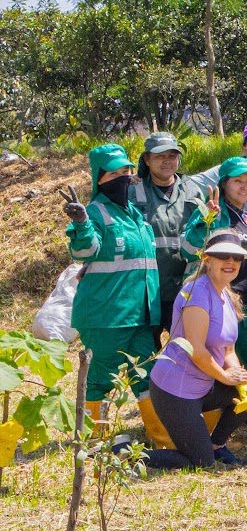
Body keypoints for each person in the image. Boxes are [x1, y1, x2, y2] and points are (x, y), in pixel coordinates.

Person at [144, 231, 247, 468]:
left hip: (205, 384)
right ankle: (123, 455)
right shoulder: (198, 292)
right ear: (207, 259)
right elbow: (196, 350)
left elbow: (228, 349)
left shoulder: (227, 294)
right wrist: (225, 377)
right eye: (223, 256)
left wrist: (237, 377)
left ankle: (216, 445)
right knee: (200, 463)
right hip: (175, 390)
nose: (230, 262)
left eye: (236, 258)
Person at [181, 156, 247, 438]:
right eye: (237, 180)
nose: (245, 186)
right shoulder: (212, 212)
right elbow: (188, 249)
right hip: (213, 305)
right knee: (212, 362)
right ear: (224, 183)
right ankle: (208, 426)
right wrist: (205, 221)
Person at [65, 143, 161, 437]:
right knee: (100, 379)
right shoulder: (94, 213)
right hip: (106, 316)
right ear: (100, 178)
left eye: (128, 171)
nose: (125, 177)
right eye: (116, 173)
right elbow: (84, 251)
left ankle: (161, 437)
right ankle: (96, 442)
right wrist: (81, 223)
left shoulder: (136, 216)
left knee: (147, 377)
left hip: (141, 315)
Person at [132, 131, 204, 344]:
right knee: (145, 352)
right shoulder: (133, 190)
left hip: (185, 286)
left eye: (172, 155)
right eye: (159, 156)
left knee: (186, 350)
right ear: (147, 159)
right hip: (147, 290)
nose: (167, 161)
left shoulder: (191, 189)